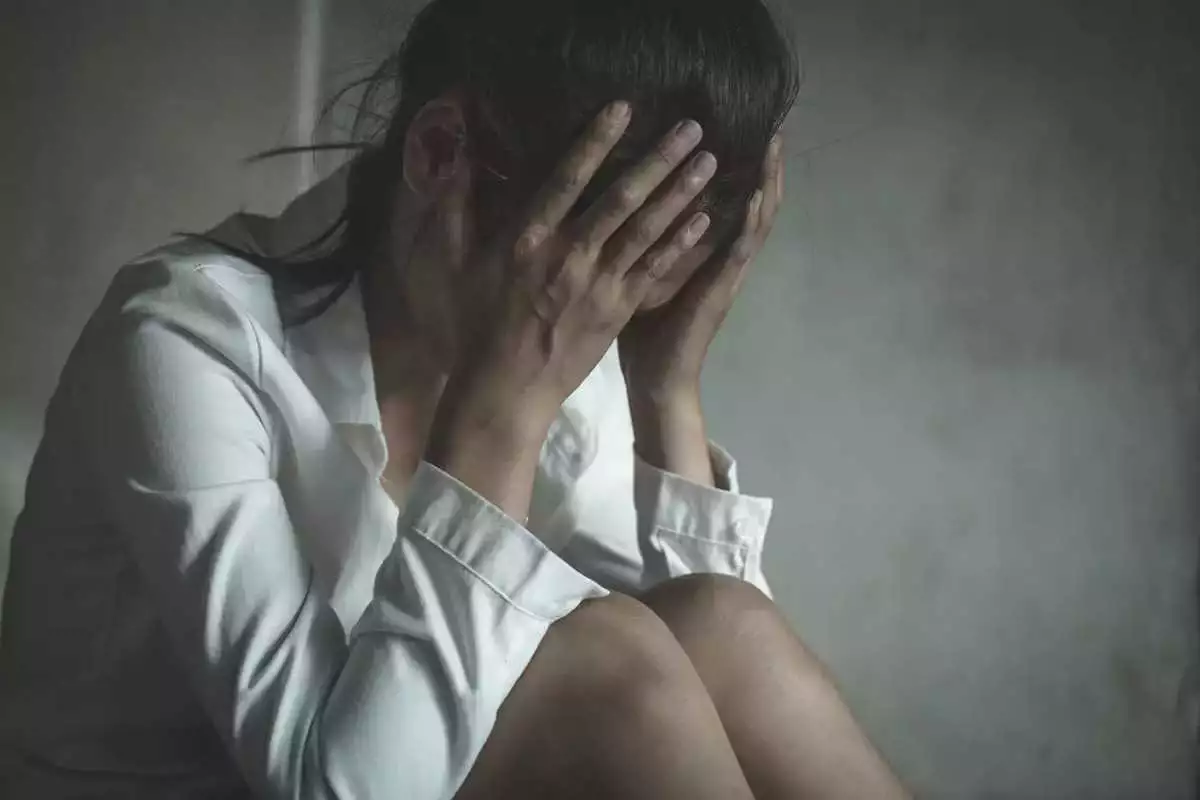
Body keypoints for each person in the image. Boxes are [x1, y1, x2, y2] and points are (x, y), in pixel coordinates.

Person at [0, 0, 910, 797]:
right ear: (441, 154)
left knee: (721, 624)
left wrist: (665, 388)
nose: (601, 321)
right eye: (601, 270)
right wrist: (497, 418)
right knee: (610, 666)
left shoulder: (572, 320)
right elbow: (333, 787)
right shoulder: (181, 341)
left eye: (637, 289)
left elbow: (720, 688)